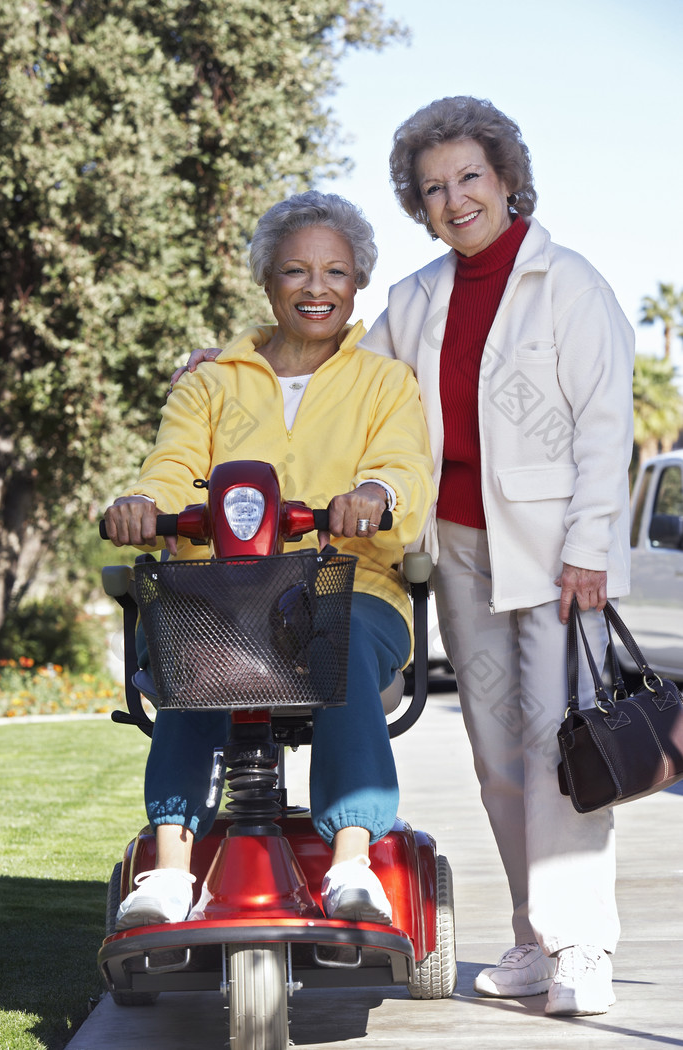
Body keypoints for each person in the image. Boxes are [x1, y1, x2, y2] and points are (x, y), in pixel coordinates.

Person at [174, 98, 635, 1018]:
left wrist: (589, 549)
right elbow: (328, 366)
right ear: (418, 205)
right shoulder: (417, 298)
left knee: (559, 743)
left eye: (470, 177)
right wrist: (222, 359)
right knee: (500, 755)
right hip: (455, 548)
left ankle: (584, 945)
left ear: (506, 178)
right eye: (434, 188)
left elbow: (603, 427)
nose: (455, 198)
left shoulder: (569, 283)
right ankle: (533, 941)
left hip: (550, 552)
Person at [103, 191, 436, 932]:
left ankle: (353, 864)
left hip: (347, 581)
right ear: (266, 281)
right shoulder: (211, 381)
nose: (316, 288)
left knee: (335, 631)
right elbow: (172, 466)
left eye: (336, 273)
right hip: (225, 587)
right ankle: (170, 868)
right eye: (296, 271)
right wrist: (141, 504)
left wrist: (375, 493)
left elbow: (405, 468)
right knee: (194, 637)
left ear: (358, 285)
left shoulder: (385, 382)